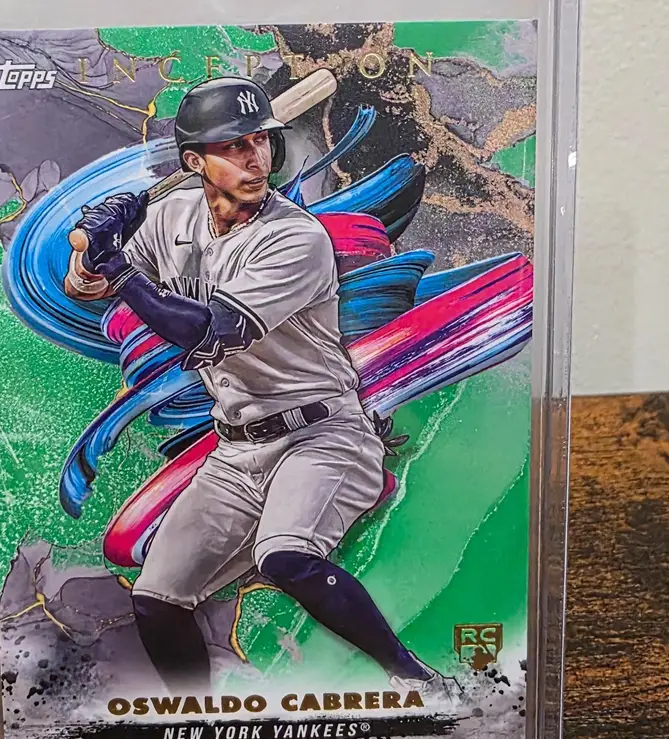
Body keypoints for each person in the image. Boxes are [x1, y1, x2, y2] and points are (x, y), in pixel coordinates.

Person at [65, 76, 459, 702]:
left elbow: (207, 332)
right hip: (236, 449)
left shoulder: (295, 237)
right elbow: (82, 288)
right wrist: (95, 247)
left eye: (261, 141)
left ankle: (419, 682)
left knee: (286, 556)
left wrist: (118, 270)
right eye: (234, 146)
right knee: (158, 597)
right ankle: (197, 718)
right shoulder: (170, 217)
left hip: (321, 434)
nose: (255, 158)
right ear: (194, 162)